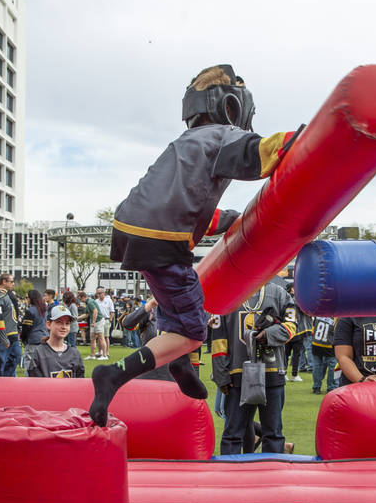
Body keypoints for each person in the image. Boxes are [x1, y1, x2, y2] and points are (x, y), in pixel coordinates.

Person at [89, 63, 301, 426]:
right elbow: (261, 153)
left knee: (175, 309)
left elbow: (186, 206)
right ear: (232, 105)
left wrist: (232, 219)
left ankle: (178, 361)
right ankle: (114, 374)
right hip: (162, 238)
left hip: (135, 228)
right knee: (192, 331)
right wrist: (306, 139)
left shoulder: (186, 143)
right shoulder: (221, 136)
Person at [211, 283, 296, 454]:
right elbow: (218, 339)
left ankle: (271, 477)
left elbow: (292, 326)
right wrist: (221, 374)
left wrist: (269, 335)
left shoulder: (280, 294)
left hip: (272, 371)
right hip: (237, 375)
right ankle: (229, 478)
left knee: (273, 433)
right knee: (232, 434)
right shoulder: (225, 294)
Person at [25, 305, 85, 379]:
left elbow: (79, 383)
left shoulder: (74, 354)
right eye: (59, 322)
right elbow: (34, 384)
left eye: (67, 323)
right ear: (49, 324)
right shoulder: (39, 353)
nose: (64, 327)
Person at [0, 273, 20, 376]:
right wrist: (3, 338)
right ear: (4, 282)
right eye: (11, 281)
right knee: (0, 364)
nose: (13, 284)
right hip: (5, 336)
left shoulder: (6, 295)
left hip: (12, 334)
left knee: (14, 360)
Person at [310, 315, 338, 394]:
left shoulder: (319, 314)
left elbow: (313, 328)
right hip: (329, 345)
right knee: (333, 366)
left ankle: (316, 387)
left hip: (316, 343)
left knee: (317, 366)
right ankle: (331, 387)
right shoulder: (336, 317)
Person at [93, 287, 112, 360]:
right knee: (99, 337)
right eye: (97, 293)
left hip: (106, 319)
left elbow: (112, 311)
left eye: (100, 293)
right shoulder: (96, 301)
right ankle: (100, 352)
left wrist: (110, 319)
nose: (98, 295)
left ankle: (107, 352)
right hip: (99, 320)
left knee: (106, 337)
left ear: (104, 293)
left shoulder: (109, 301)